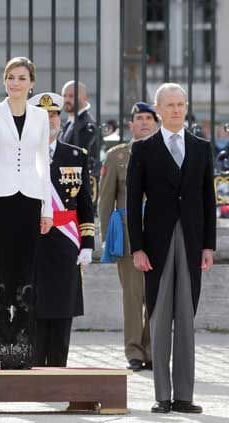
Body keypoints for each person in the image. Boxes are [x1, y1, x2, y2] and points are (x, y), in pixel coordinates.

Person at [126, 83, 216, 414]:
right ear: (158, 109)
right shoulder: (144, 149)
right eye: (171, 105)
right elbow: (133, 203)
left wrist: (209, 245)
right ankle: (162, 395)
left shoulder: (201, 147)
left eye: (181, 104)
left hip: (192, 243)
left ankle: (184, 396)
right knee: (160, 316)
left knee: (186, 319)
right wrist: (138, 248)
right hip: (157, 244)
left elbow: (209, 199)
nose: (177, 109)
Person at [0, 57, 53, 370]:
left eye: (21, 78)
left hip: (29, 201)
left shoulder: (41, 116)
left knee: (25, 276)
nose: (16, 83)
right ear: (4, 81)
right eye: (10, 77)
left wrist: (47, 209)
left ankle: (19, 351)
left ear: (31, 83)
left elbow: (43, 162)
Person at [29, 92, 94, 367]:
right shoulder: (21, 155)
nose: (49, 120)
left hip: (66, 242)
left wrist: (88, 243)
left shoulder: (76, 155)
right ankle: (33, 371)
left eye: (54, 115)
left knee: (62, 308)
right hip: (33, 240)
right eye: (43, 116)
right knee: (33, 307)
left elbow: (85, 203)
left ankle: (58, 371)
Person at [99, 102, 158, 372]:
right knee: (133, 296)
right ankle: (134, 351)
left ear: (156, 123)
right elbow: (105, 200)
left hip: (160, 233)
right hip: (128, 235)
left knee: (156, 295)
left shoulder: (166, 153)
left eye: (149, 118)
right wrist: (106, 238)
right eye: (139, 118)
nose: (144, 123)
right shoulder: (117, 156)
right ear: (130, 124)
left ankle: (152, 349)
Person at [59, 81, 98, 178]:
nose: (67, 99)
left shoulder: (88, 125)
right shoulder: (69, 123)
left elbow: (89, 160)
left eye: (72, 96)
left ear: (85, 98)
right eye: (64, 96)